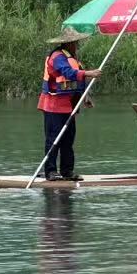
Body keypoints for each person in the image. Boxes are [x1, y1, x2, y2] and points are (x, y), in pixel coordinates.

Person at [39, 27, 100, 182]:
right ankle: (50, 171)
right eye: (74, 43)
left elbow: (78, 78)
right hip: (54, 105)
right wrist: (88, 73)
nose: (76, 45)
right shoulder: (57, 57)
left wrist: (85, 95)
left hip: (69, 106)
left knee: (68, 139)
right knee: (54, 138)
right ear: (68, 43)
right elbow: (67, 73)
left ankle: (67, 171)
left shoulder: (74, 58)